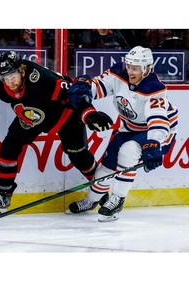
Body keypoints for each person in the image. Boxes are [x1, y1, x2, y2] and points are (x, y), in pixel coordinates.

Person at [0, 50, 113, 214]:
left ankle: (101, 193)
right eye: (6, 78)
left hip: (65, 115)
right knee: (9, 146)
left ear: (22, 70)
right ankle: (3, 196)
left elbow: (73, 93)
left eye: (13, 77)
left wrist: (88, 113)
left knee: (78, 156)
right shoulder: (2, 81)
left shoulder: (42, 78)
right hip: (32, 116)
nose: (10, 82)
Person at [67, 46, 179, 222]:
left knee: (128, 151)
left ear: (147, 68)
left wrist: (154, 144)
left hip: (158, 131)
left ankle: (117, 199)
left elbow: (157, 120)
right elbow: (98, 87)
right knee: (106, 167)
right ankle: (91, 201)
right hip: (129, 128)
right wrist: (85, 88)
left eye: (135, 68)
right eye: (129, 66)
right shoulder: (119, 72)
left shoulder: (154, 88)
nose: (130, 71)